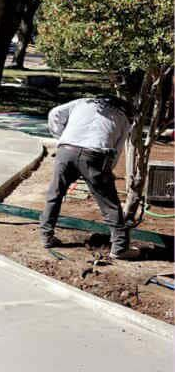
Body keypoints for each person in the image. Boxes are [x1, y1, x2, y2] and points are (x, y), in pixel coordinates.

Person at [39, 96, 140, 260]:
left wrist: (62, 137)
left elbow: (55, 113)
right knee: (109, 203)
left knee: (54, 194)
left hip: (66, 151)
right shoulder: (123, 117)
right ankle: (119, 248)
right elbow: (117, 150)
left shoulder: (84, 102)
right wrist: (106, 171)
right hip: (96, 155)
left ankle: (46, 236)